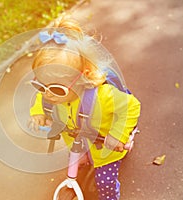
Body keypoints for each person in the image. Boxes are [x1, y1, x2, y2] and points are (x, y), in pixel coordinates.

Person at [28, 17, 141, 200]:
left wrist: (118, 135)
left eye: (56, 88)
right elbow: (41, 99)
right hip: (79, 142)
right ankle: (84, 160)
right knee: (76, 159)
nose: (48, 94)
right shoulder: (52, 93)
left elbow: (132, 106)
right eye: (41, 86)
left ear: (83, 76)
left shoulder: (103, 96)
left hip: (105, 148)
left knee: (104, 182)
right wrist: (38, 112)